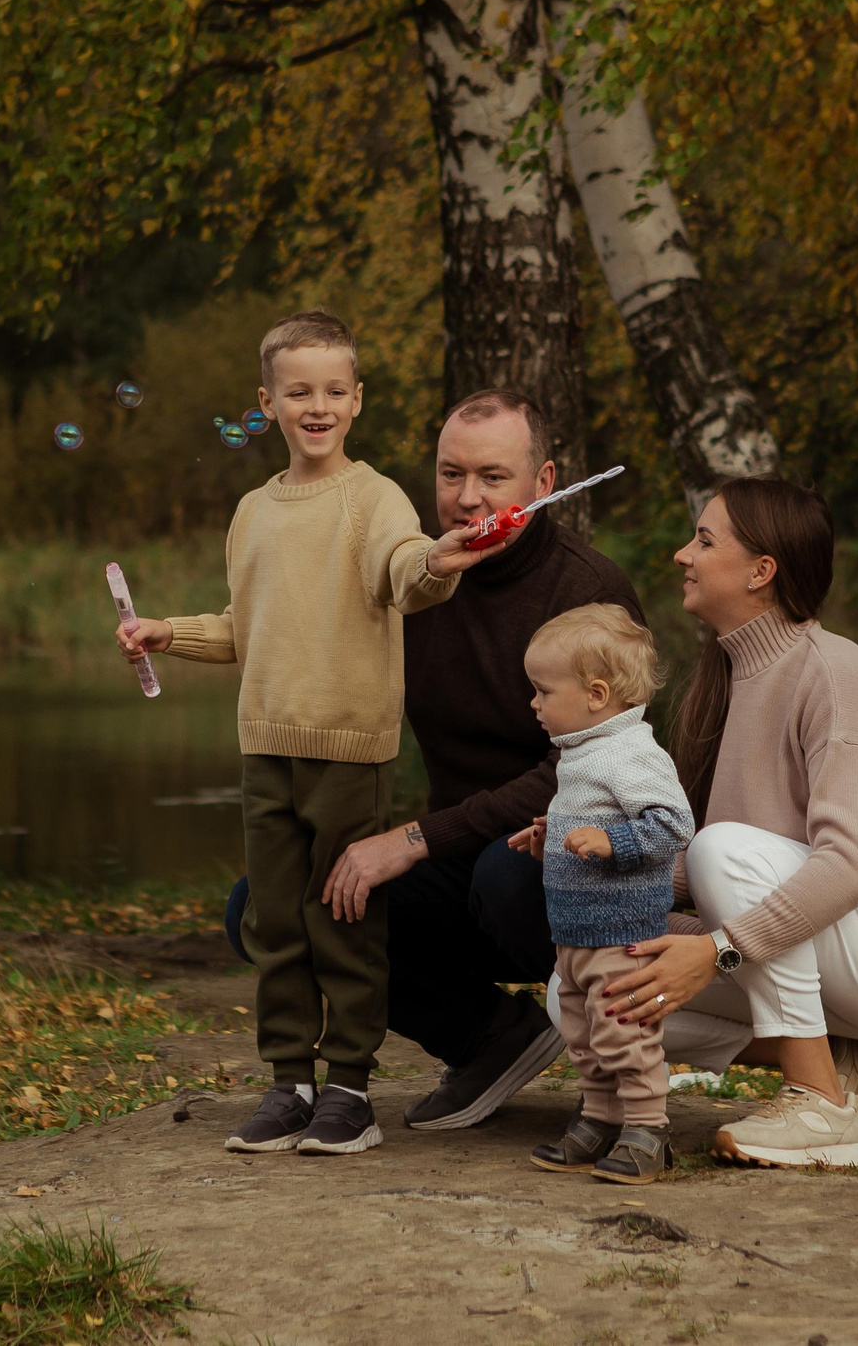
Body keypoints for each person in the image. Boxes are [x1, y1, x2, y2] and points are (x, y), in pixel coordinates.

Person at [117, 310, 507, 1158]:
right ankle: (289, 1081)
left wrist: (435, 562)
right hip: (265, 749)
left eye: (334, 390)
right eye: (299, 391)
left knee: (345, 923)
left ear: (358, 398)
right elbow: (243, 626)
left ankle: (350, 1090)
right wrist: (167, 633)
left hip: (347, 752)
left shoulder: (374, 499)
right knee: (276, 922)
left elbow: (404, 571)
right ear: (267, 403)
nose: (318, 406)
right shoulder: (252, 511)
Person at [229, 389, 646, 1132]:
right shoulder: (411, 578)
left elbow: (593, 766)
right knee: (265, 902)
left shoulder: (587, 590)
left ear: (545, 481)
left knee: (504, 873)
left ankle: (618, 1067)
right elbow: (310, 652)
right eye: (451, 474)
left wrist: (416, 837)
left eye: (493, 476)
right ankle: (491, 1038)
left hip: (563, 852)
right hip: (458, 854)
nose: (467, 498)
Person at [584, 476, 858, 1169]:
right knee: (587, 990)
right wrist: (611, 861)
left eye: (704, 540)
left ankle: (816, 1100)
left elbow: (846, 865)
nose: (682, 554)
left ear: (761, 571)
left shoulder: (835, 673)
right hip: (837, 949)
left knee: (720, 849)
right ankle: (841, 1056)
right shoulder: (727, 677)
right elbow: (732, 867)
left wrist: (718, 948)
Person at [504, 604, 692, 1184]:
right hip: (575, 936)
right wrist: (552, 840)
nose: (534, 703)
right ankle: (601, 1118)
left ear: (596, 694)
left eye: (543, 691)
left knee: (624, 1033)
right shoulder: (583, 754)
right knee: (583, 1035)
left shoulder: (631, 753)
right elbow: (590, 827)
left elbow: (674, 825)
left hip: (620, 935)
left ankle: (648, 1129)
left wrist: (612, 841)